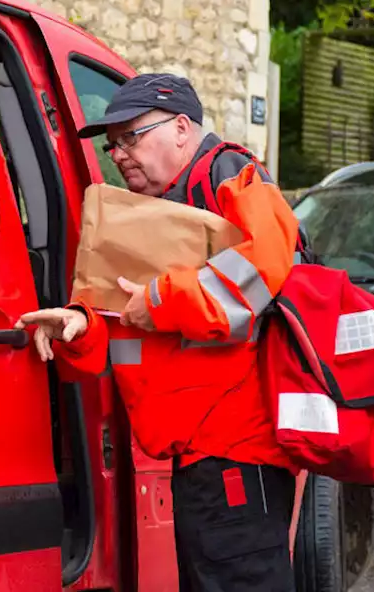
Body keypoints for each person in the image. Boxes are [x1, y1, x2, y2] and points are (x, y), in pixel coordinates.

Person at [15, 73, 301, 591]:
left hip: (236, 452)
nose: (119, 153)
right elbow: (122, 321)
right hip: (200, 455)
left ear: (182, 129)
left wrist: (158, 299)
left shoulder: (231, 174)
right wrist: (79, 325)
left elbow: (263, 273)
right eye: (113, 143)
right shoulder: (154, 213)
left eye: (132, 136)